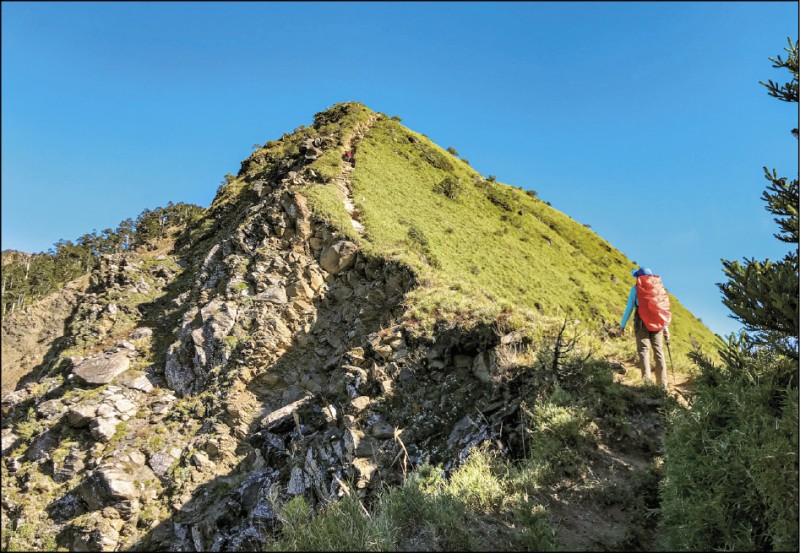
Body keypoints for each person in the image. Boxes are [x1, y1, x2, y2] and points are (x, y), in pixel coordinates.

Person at [619, 267, 671, 390]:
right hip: (658, 324)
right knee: (658, 351)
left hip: (641, 323)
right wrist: (666, 330)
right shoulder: (659, 289)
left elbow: (629, 309)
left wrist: (622, 326)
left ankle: (647, 384)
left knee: (644, 351)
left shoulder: (635, 289)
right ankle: (662, 384)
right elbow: (661, 310)